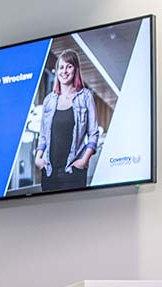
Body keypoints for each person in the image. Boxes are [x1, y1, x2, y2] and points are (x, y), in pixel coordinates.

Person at [34, 49, 99, 192]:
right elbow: (43, 136)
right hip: (49, 172)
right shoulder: (49, 100)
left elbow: (94, 133)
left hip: (73, 172)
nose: (64, 71)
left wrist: (83, 161)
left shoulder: (85, 97)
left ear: (76, 69)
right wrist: (38, 159)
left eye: (69, 66)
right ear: (57, 71)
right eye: (61, 67)